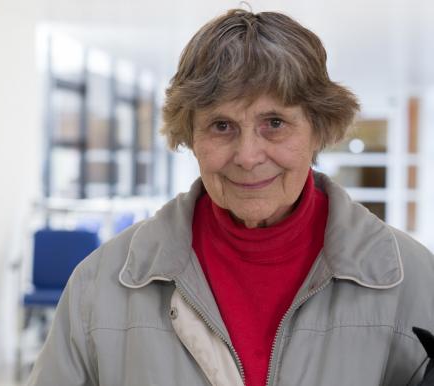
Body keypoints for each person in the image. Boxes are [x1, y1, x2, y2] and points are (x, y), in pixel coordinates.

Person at [26, 9, 434, 386]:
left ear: (319, 129)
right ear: (191, 137)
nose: (247, 156)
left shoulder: (413, 280)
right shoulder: (100, 286)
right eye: (221, 125)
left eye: (274, 123)